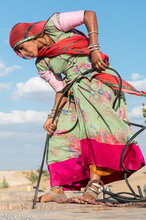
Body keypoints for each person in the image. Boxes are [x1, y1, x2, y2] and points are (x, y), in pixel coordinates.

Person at [9, 10, 145, 203]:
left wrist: (94, 49)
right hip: (73, 92)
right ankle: (57, 189)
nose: (23, 54)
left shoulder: (54, 25)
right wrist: (53, 116)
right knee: (58, 133)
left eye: (21, 48)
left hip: (96, 84)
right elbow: (60, 89)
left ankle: (95, 184)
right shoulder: (42, 64)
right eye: (19, 53)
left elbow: (89, 15)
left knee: (94, 129)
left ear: (29, 36)